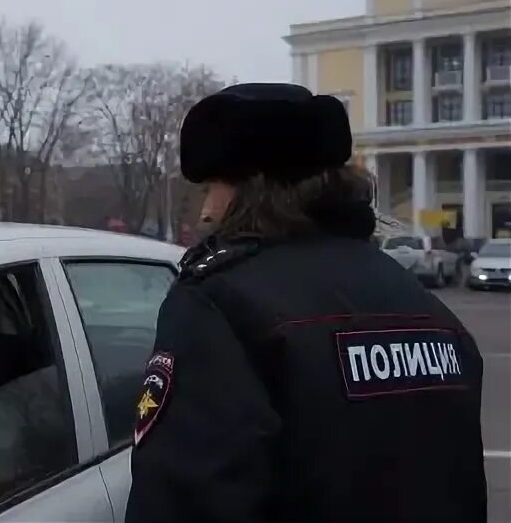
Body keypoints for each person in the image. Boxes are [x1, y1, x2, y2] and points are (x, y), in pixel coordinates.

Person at [125, 83, 486, 523]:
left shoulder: (219, 305)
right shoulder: (422, 304)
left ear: (251, 189)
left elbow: (184, 505)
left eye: (212, 187)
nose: (204, 211)